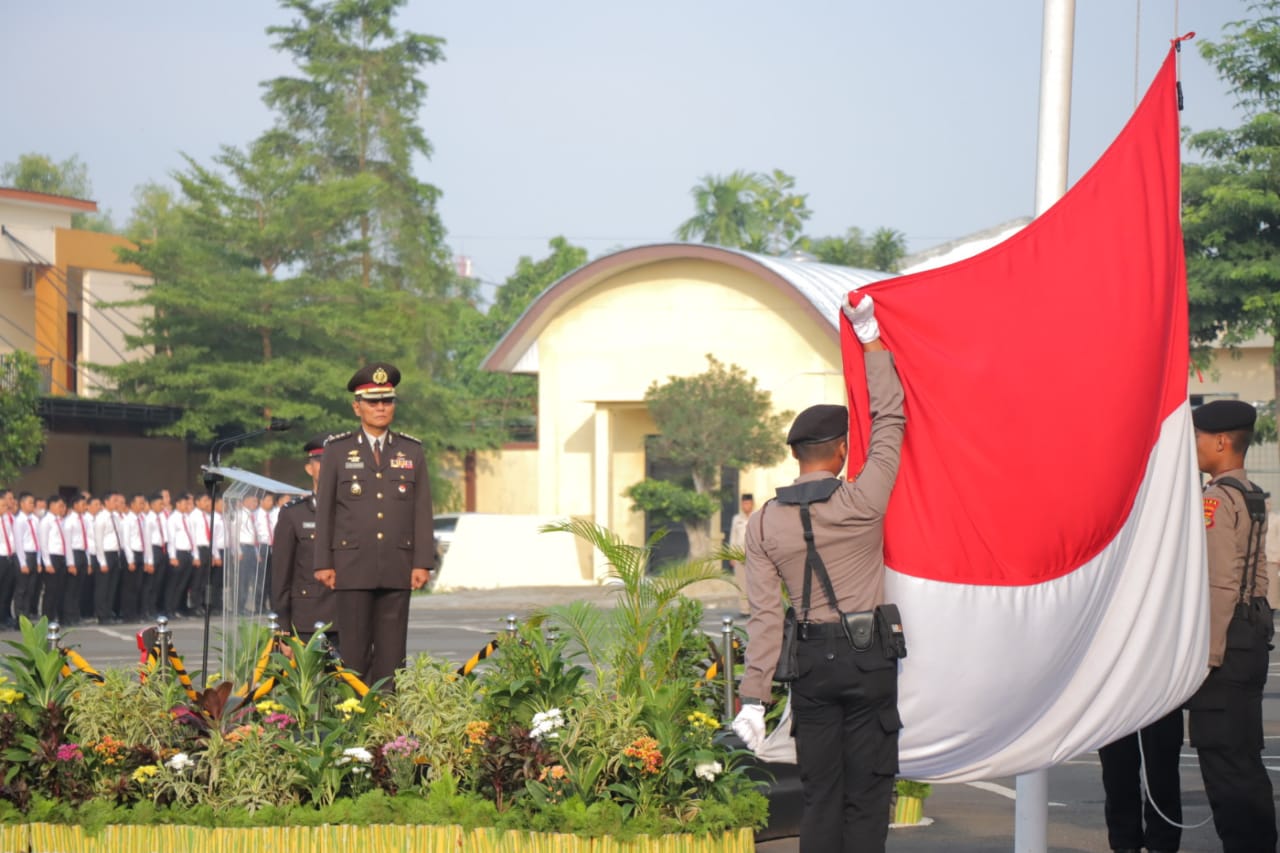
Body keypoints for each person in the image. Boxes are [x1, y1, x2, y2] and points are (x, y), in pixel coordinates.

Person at [733, 294, 905, 853]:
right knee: (868, 793)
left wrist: (754, 699)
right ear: (840, 451)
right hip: (867, 657)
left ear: (797, 455)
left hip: (810, 666)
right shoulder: (863, 500)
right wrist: (870, 337)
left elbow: (764, 618)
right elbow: (891, 418)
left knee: (820, 794)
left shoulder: (762, 526)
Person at [1185, 399, 1276, 853]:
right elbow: (1257, 579)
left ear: (1221, 442)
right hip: (1252, 637)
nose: (1193, 443)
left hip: (1226, 647)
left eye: (1198, 436)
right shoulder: (1252, 494)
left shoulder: (1215, 500)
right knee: (1244, 757)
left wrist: (1208, 656)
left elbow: (1219, 583)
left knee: (1224, 763)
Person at [314, 362, 433, 690]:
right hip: (351, 565)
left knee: (393, 655)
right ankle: (356, 722)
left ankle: (387, 726)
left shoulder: (411, 450)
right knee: (353, 653)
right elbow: (325, 511)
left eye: (387, 401)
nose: (381, 408)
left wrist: (422, 561)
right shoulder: (337, 451)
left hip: (397, 564)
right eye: (373, 401)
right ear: (357, 407)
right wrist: (323, 562)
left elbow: (422, 510)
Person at [273, 434, 338, 643]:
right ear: (309, 469)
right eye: (320, 462)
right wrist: (283, 628)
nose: (326, 466)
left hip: (348, 619)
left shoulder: (356, 512)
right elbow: (281, 575)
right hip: (306, 621)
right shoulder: (294, 514)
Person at [1097, 709, 1184, 853]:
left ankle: (1162, 845)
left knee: (1161, 775)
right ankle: (1124, 844)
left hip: (1160, 699)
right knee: (1117, 774)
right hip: (1115, 702)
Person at [728, 494, 755, 616]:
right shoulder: (736, 519)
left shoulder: (756, 516)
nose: (746, 506)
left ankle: (754, 608)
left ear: (752, 503)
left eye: (748, 503)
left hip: (754, 556)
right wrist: (731, 556)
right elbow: (733, 538)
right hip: (739, 555)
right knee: (741, 583)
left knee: (754, 583)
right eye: (744, 503)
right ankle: (744, 609)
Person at [0, 490, 17, 628]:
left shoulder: (7, 518)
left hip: (9, 558)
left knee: (6, 590)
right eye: (4, 504)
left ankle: (4, 617)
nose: (7, 506)